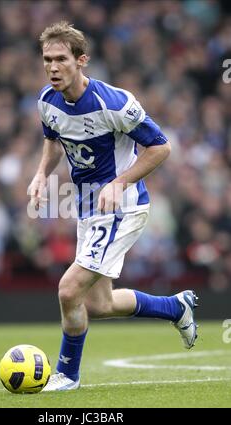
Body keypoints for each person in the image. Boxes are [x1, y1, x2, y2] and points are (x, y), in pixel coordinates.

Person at [27, 21, 198, 392]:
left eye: (61, 59)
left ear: (81, 60)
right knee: (99, 305)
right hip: (88, 208)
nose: (52, 67)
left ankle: (67, 375)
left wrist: (121, 182)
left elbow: (161, 147)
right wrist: (41, 174)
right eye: (47, 60)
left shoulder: (114, 103)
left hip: (122, 206)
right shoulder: (47, 101)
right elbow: (53, 142)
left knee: (69, 290)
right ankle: (175, 307)